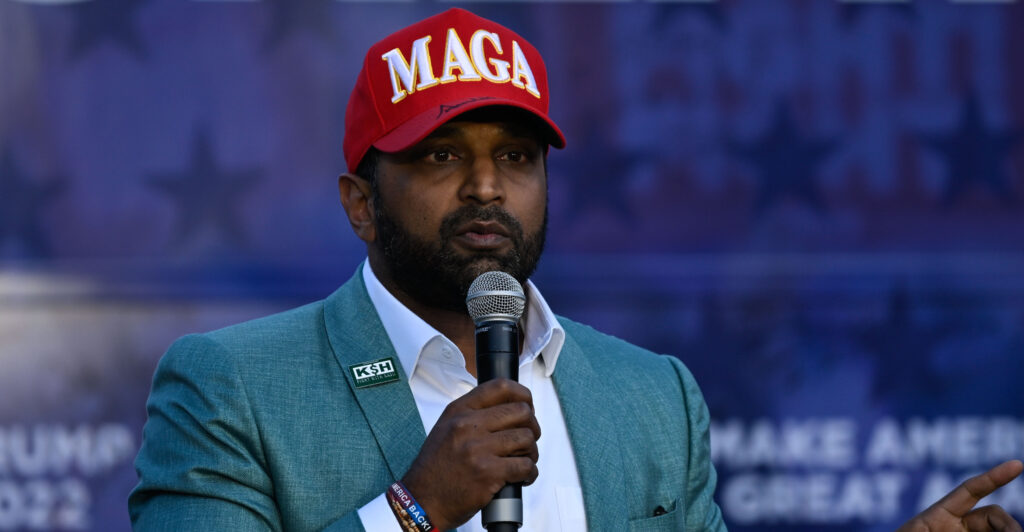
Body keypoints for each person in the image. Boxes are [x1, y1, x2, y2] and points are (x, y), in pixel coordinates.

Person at [129, 8, 1022, 532]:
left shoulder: (650, 394)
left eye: (516, 157)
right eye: (440, 159)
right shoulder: (231, 385)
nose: (485, 186)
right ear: (359, 203)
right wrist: (413, 507)